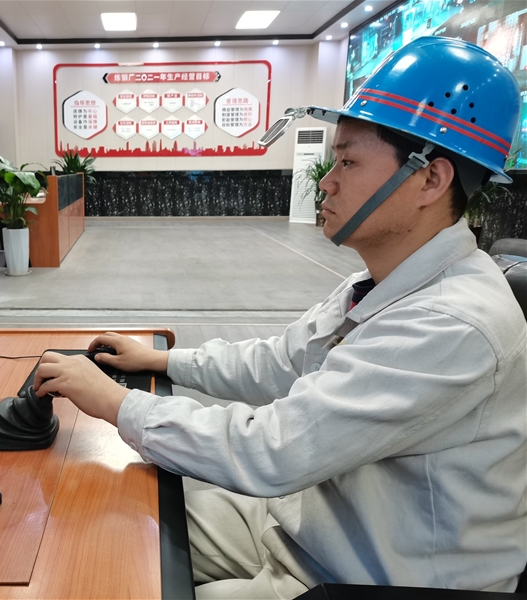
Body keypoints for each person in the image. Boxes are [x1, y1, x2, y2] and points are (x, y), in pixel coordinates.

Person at [34, 36, 527, 598]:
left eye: (348, 162)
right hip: (310, 523)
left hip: (368, 575)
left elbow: (273, 450)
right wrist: (163, 360)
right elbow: (283, 362)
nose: (326, 181)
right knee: (116, 517)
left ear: (430, 179)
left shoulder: (452, 323)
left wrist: (114, 402)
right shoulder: (384, 283)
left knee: (140, 581)